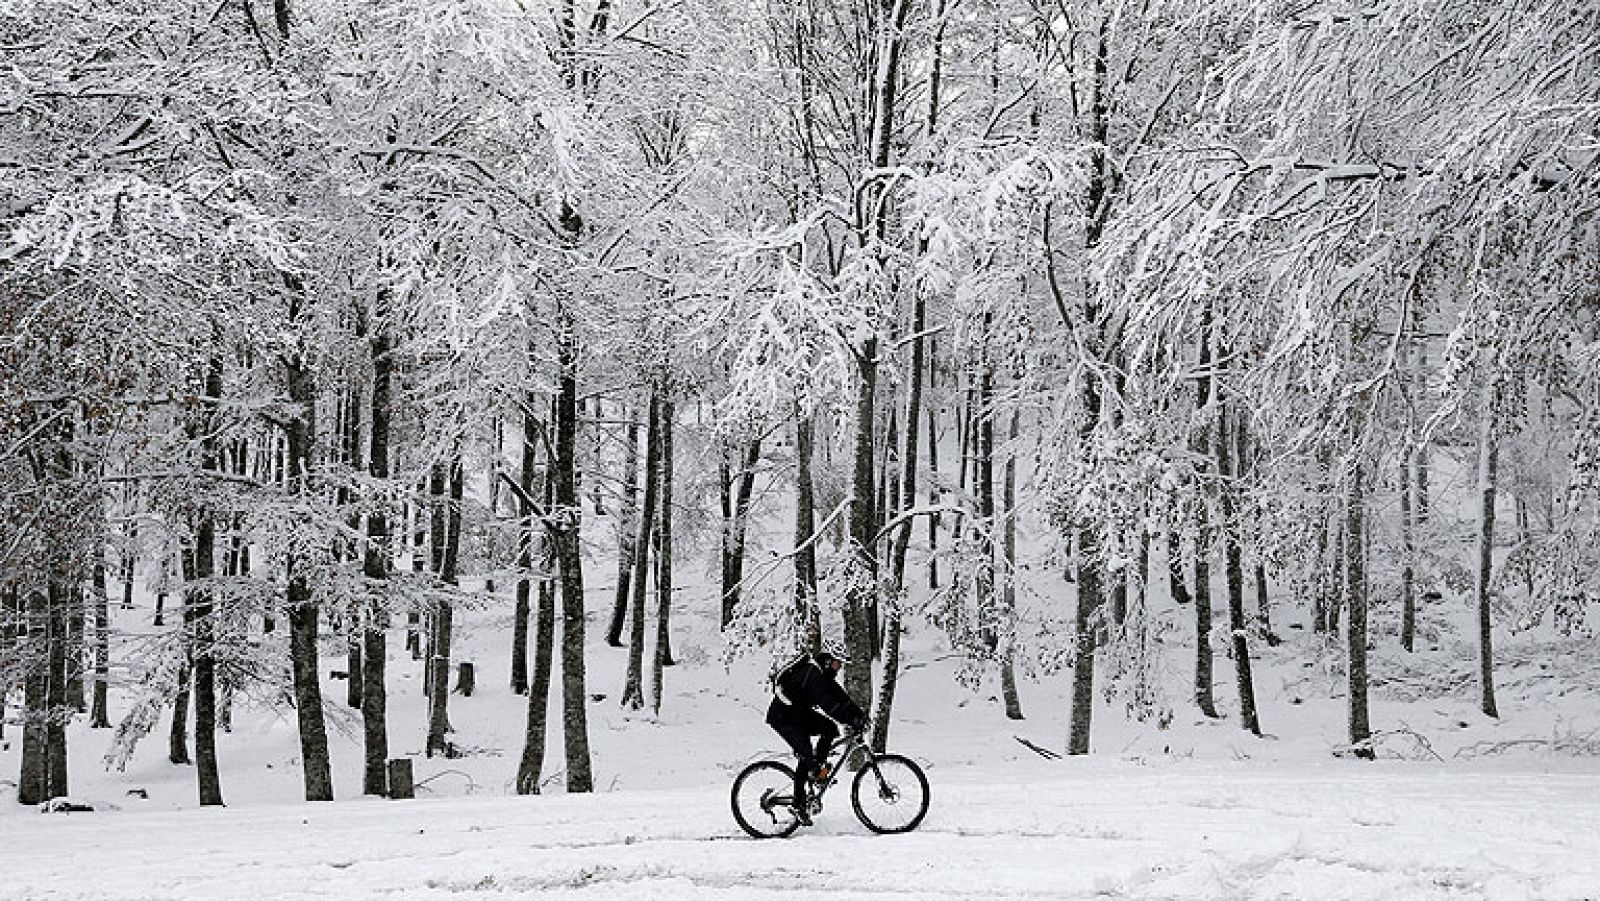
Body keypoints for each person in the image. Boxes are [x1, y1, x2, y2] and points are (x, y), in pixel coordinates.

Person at [766, 646, 868, 826]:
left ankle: (817, 773)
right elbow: (830, 706)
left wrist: (859, 714)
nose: (839, 668)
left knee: (829, 728)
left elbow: (841, 698)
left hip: (797, 714)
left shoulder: (822, 674)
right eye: (838, 664)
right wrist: (851, 721)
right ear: (828, 661)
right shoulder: (813, 675)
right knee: (806, 753)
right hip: (783, 718)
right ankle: (799, 805)